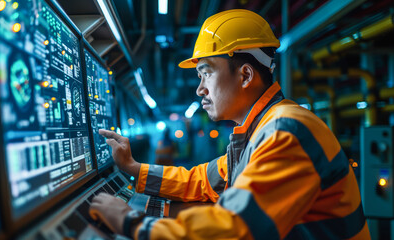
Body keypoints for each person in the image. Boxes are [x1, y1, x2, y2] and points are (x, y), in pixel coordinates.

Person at [89, 9, 370, 239]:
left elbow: (234, 230)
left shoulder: (285, 132)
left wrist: (131, 222)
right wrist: (133, 168)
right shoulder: (257, 132)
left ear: (245, 75)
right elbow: (201, 181)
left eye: (206, 73)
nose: (200, 89)